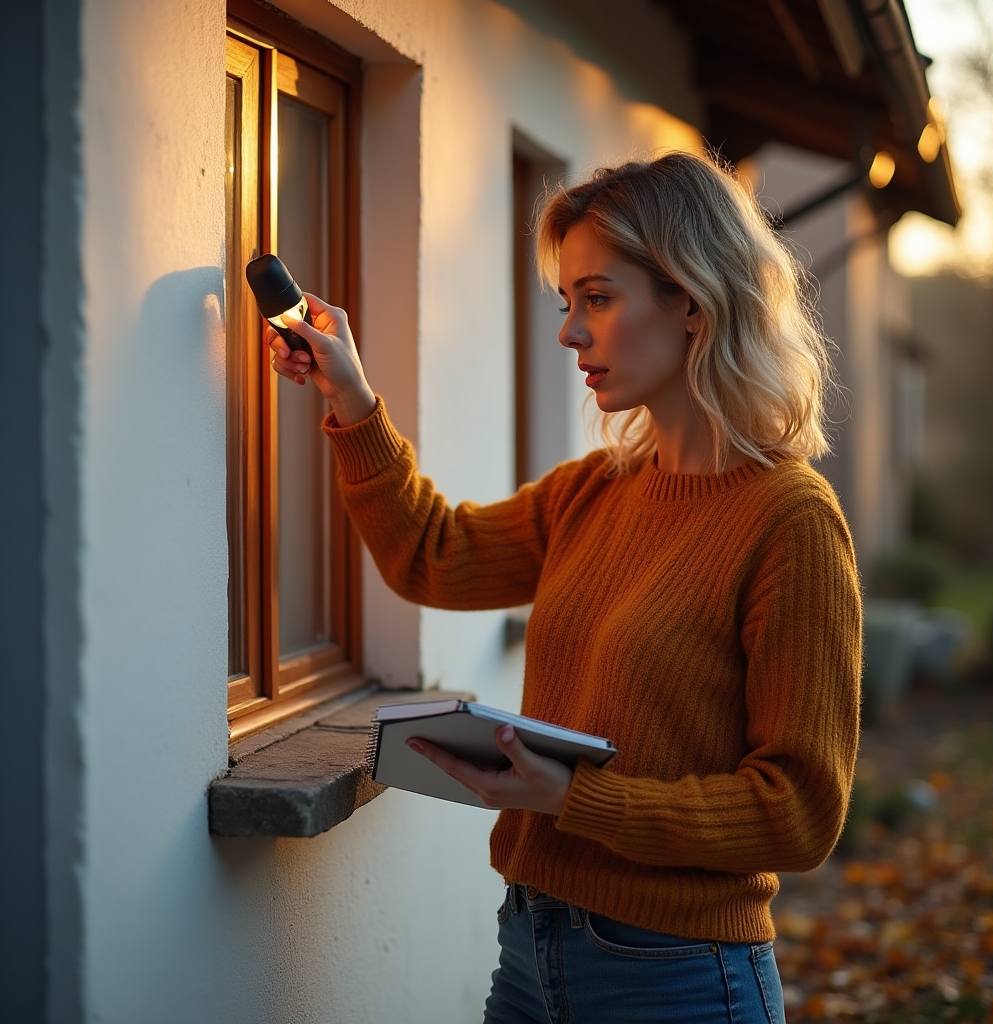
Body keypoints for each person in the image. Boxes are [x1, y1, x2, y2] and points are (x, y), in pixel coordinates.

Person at [266, 151, 861, 1024]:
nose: (569, 333)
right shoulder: (595, 491)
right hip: (532, 950)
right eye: (567, 302)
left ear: (692, 301)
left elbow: (800, 812)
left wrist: (574, 797)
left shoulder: (791, 522)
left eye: (598, 298)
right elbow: (432, 555)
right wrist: (351, 399)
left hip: (677, 976)